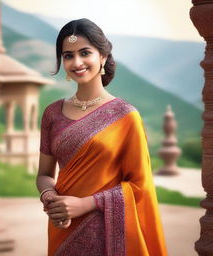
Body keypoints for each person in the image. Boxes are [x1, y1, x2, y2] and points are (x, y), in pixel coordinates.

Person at [36, 18, 167, 256]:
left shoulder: (125, 116)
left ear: (103, 57)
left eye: (85, 53)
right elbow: (44, 174)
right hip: (62, 226)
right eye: (68, 55)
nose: (76, 62)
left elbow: (140, 186)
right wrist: (50, 198)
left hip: (106, 229)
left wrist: (85, 204)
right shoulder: (52, 113)